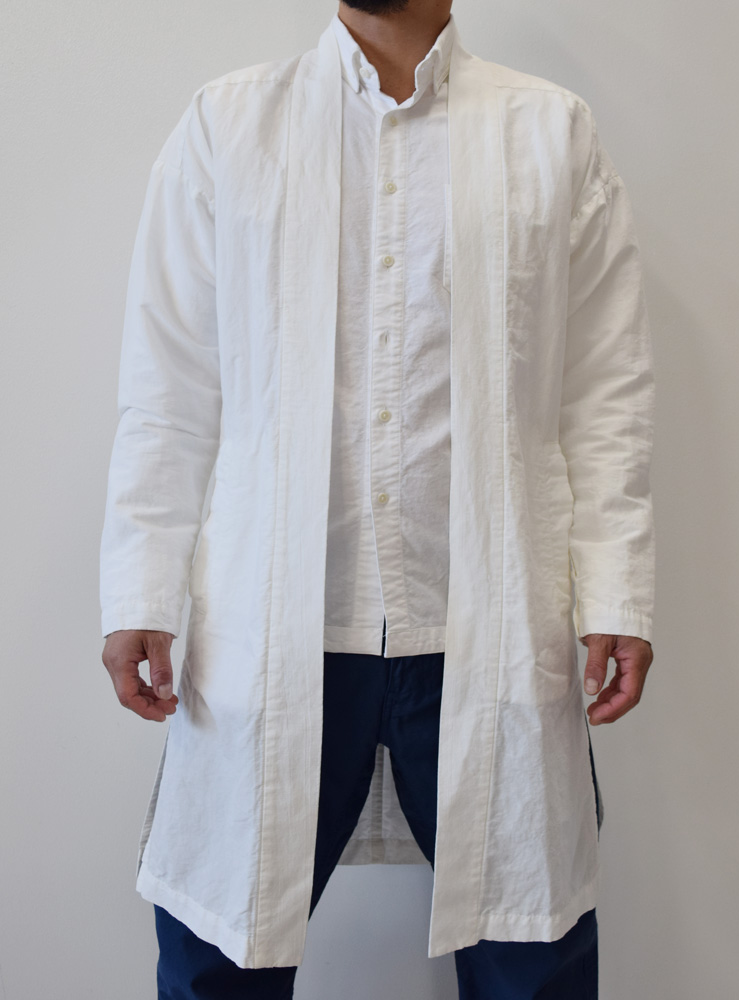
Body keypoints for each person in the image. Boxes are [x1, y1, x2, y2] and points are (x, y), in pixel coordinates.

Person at [100, 0, 655, 996]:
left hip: (486, 621)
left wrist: (616, 592)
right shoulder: (230, 126)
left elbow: (602, 392)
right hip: (277, 625)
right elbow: (170, 387)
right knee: (218, 949)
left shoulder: (547, 133)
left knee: (530, 952)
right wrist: (140, 588)